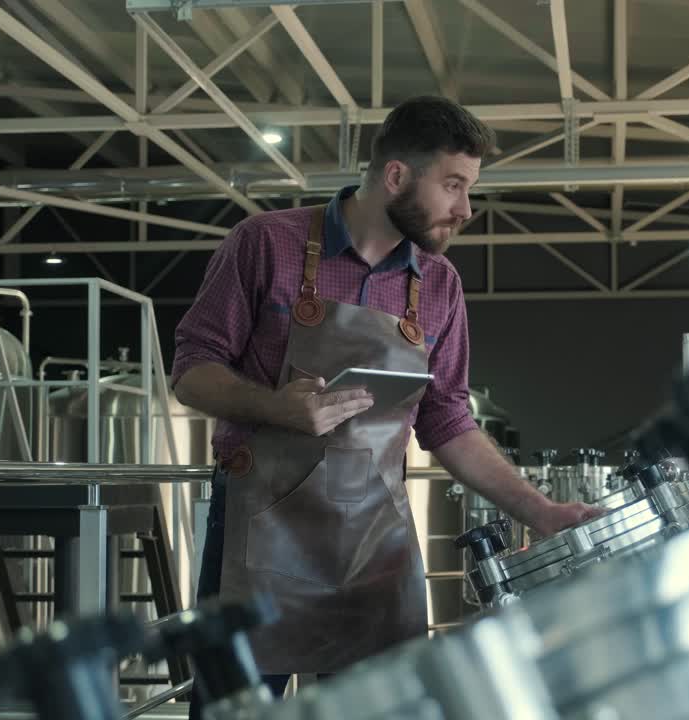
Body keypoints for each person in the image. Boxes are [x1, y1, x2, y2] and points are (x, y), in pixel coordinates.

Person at [170, 95, 603, 713]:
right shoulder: (267, 244)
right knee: (230, 710)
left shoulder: (440, 287)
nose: (466, 209)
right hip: (256, 533)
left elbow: (448, 418)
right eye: (453, 185)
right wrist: (277, 407)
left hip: (375, 544)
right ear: (396, 176)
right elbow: (191, 370)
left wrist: (542, 512)